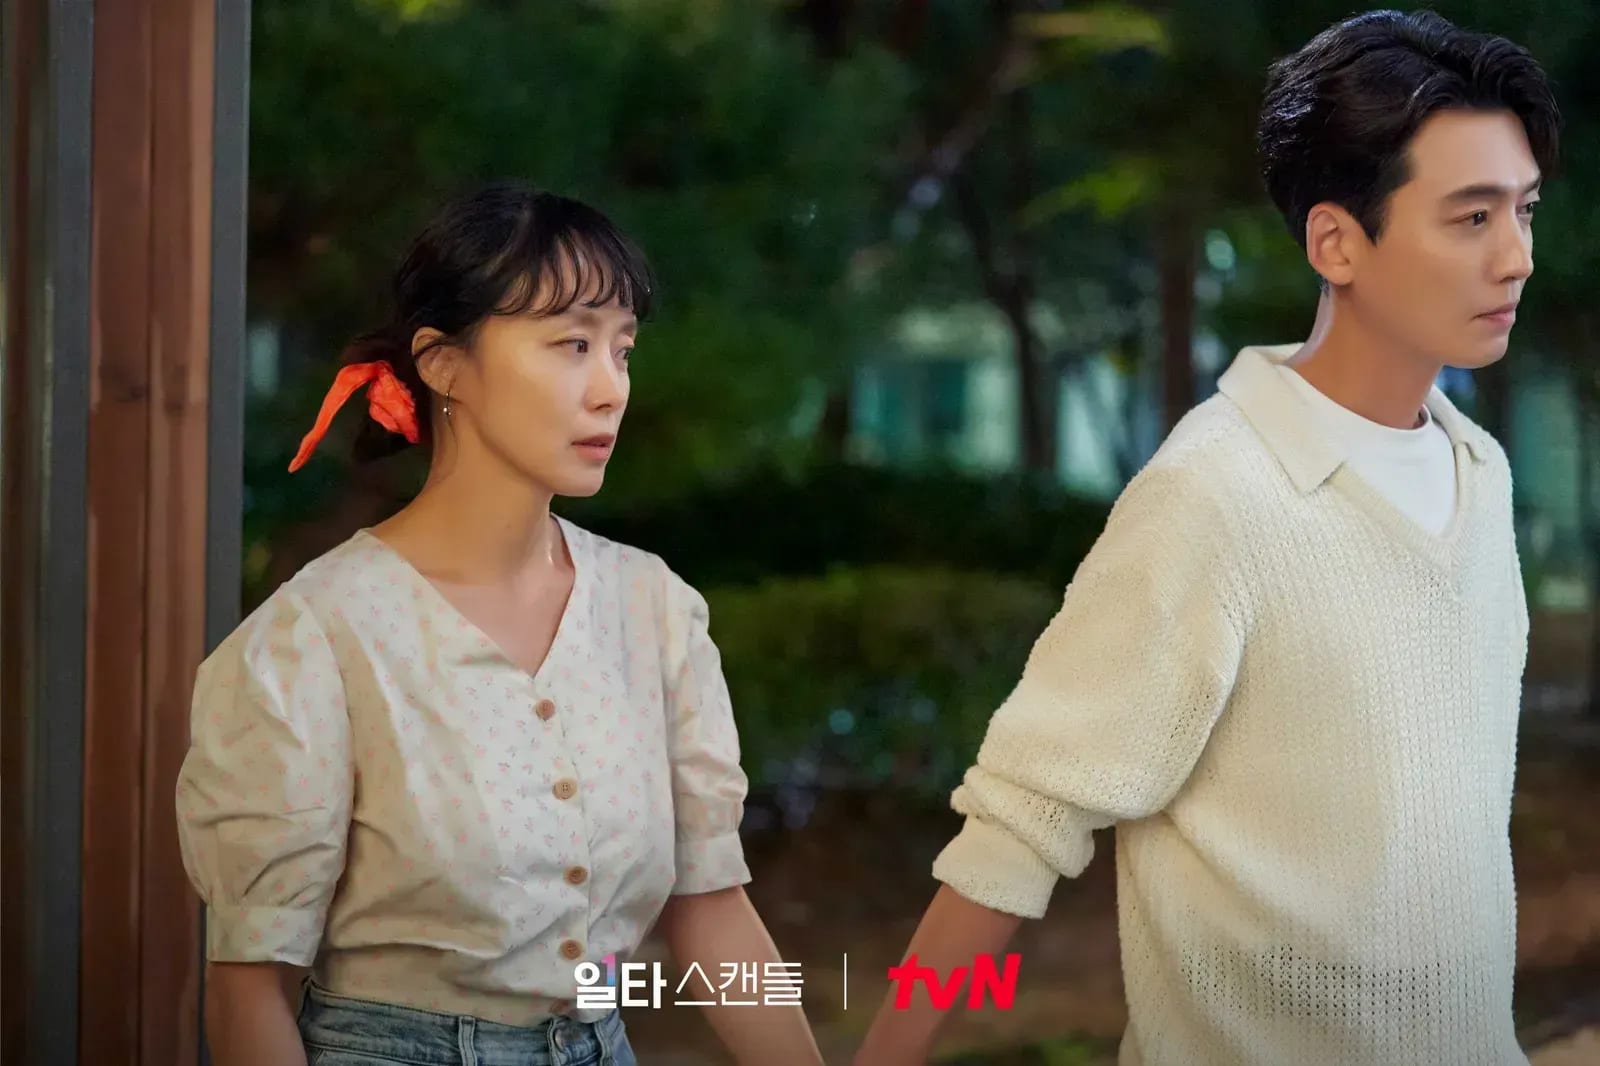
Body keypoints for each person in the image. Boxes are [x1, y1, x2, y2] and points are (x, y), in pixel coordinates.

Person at [855, 11, 1558, 1065]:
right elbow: (1020, 822)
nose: (1517, 258)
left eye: (1524, 210)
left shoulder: (1482, 472)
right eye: (1471, 218)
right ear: (1336, 242)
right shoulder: (1216, 493)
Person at [177, 181, 824, 1066]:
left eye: (623, 350)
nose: (611, 390)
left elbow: (712, 912)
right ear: (443, 364)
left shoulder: (654, 608)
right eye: (572, 345)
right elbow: (248, 989)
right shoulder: (317, 638)